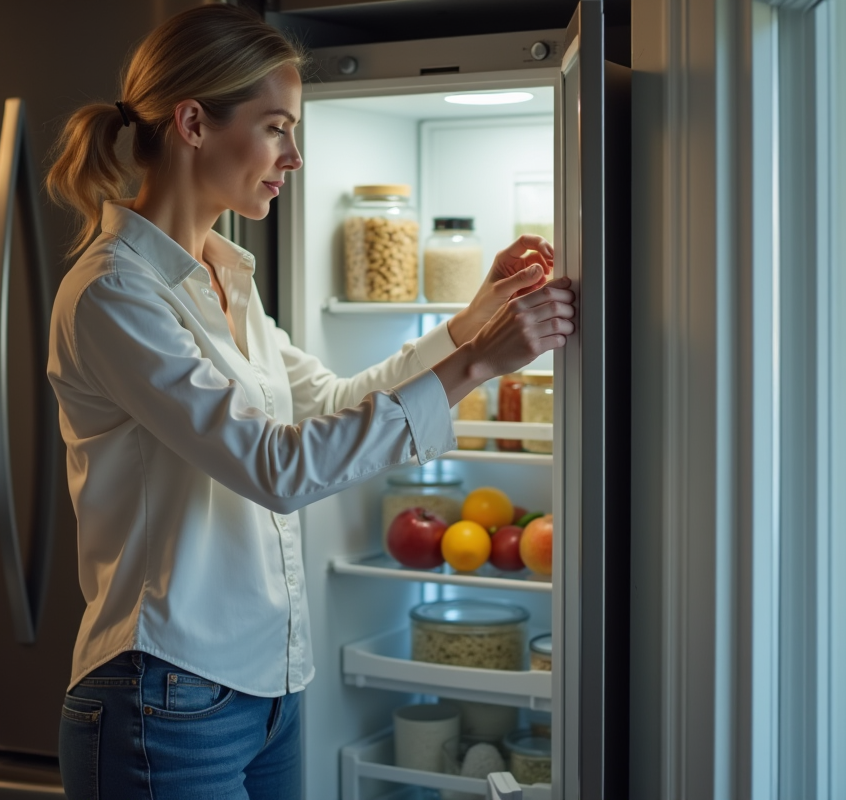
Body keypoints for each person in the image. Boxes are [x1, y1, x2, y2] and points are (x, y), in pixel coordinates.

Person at [44, 6, 574, 799]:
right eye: (276, 129)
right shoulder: (115, 293)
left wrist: (470, 324)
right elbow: (275, 467)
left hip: (269, 690)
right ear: (193, 123)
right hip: (165, 696)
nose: (294, 157)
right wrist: (475, 366)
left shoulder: (223, 275)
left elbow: (329, 401)